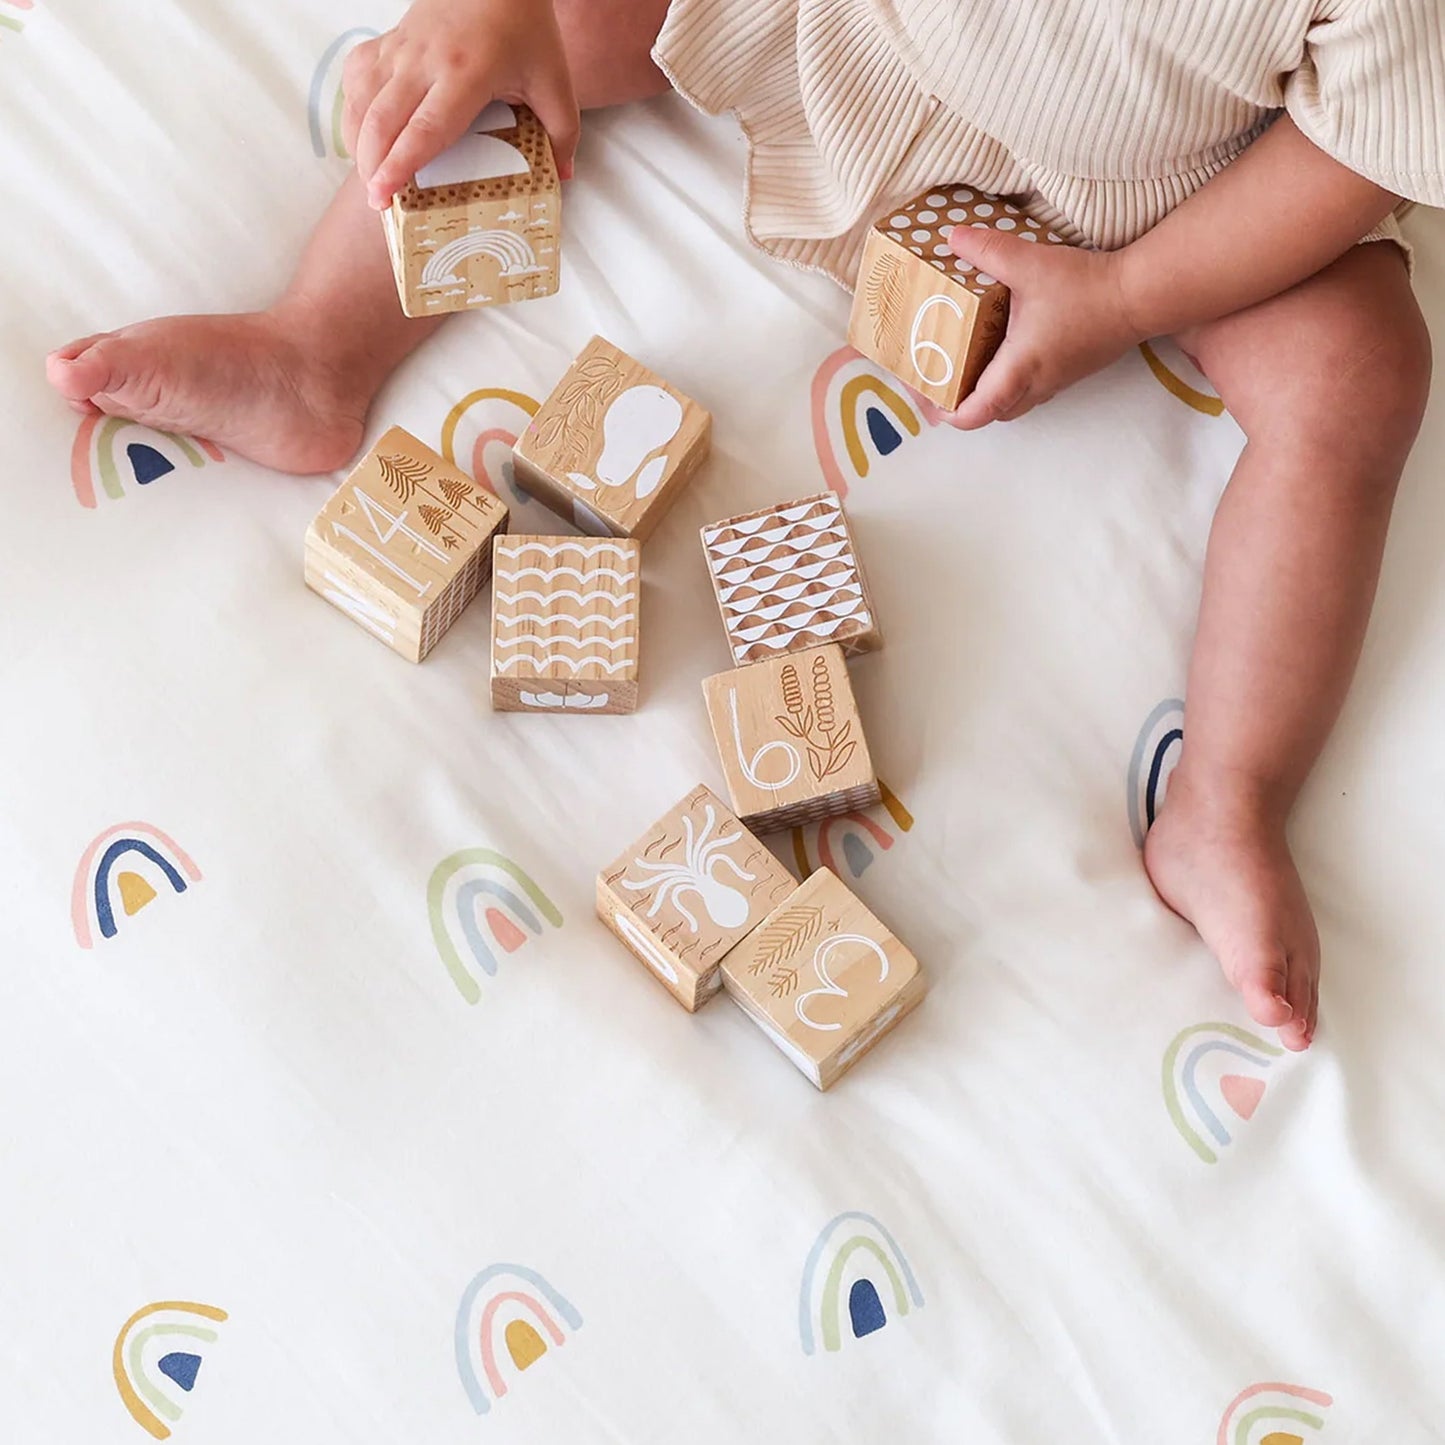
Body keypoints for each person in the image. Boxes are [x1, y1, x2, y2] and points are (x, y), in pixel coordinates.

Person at [46, 0, 1442, 1051]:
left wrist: (1132, 294)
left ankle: (1228, 799)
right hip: (827, 36)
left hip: (1148, 207)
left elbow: (1349, 156)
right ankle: (320, 345)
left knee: (1357, 369)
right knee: (529, 22)